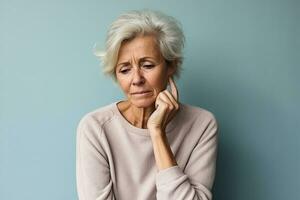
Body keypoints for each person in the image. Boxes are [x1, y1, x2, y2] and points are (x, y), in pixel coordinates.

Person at [76, 9, 218, 200]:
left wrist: (157, 132)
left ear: (171, 66)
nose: (136, 79)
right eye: (125, 69)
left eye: (148, 65)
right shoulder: (95, 128)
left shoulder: (202, 124)